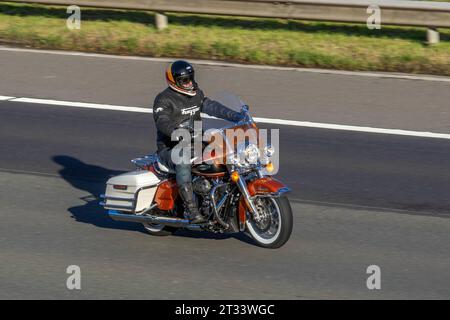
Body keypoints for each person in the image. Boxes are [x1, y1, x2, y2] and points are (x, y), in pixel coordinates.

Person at [153, 60, 244, 224]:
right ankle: (191, 209)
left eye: (190, 78)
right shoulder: (163, 100)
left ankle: (224, 195)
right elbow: (162, 122)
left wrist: (237, 116)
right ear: (174, 81)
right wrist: (177, 133)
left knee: (226, 152)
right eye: (184, 80)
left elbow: (212, 106)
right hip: (171, 148)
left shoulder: (196, 94)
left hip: (195, 142)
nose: (188, 83)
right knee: (183, 160)